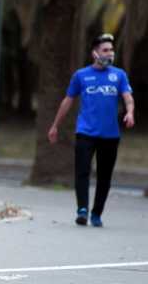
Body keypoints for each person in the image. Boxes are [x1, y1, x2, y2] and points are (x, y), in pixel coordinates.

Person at [48, 33, 135, 228]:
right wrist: (55, 125)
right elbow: (68, 101)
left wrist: (130, 112)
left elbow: (128, 97)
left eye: (112, 50)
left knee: (105, 176)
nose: (110, 54)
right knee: (82, 171)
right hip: (86, 132)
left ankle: (96, 213)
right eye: (105, 50)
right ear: (94, 53)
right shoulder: (81, 75)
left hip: (110, 135)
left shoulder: (119, 75)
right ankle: (82, 210)